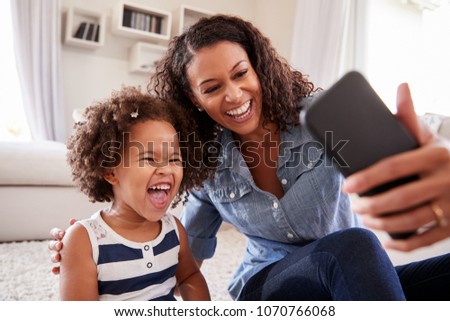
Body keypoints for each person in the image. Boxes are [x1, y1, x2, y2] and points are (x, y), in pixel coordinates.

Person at [51, 15, 450, 300]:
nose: (234, 95)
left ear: (257, 69)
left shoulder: (322, 117)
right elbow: (182, 250)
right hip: (267, 288)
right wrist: (90, 247)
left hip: (342, 275)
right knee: (356, 246)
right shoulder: (207, 160)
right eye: (212, 87)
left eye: (241, 74)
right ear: (195, 99)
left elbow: (405, 180)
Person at [59, 86, 210, 301]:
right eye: (149, 158)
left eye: (174, 159)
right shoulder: (85, 240)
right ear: (110, 171)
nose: (167, 169)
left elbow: (189, 277)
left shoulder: (174, 230)